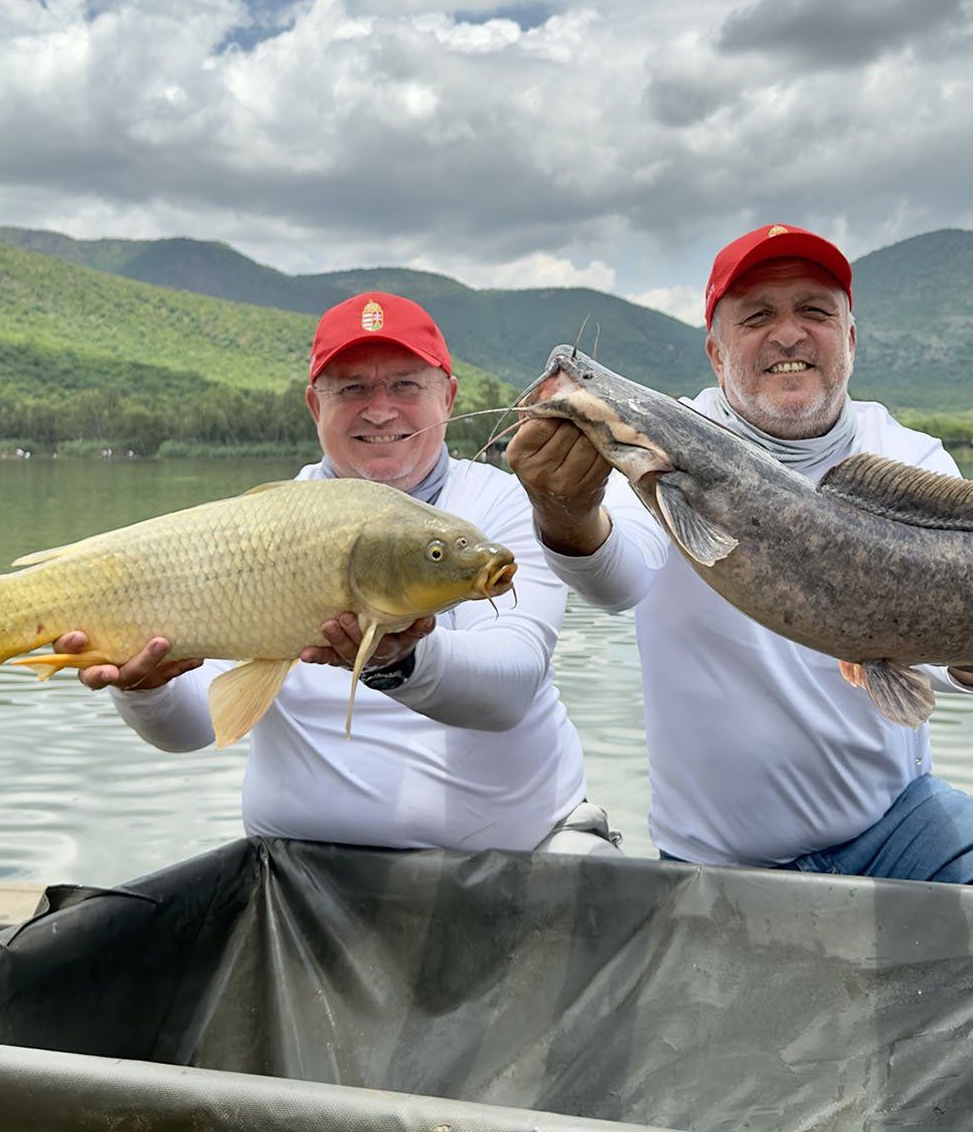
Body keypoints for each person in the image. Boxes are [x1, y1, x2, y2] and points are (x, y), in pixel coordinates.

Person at [508, 224, 973, 893]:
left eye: (814, 312)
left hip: (897, 828)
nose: (788, 334)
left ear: (849, 339)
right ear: (714, 351)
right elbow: (618, 579)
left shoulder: (911, 457)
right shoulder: (662, 444)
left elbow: (953, 655)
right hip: (717, 858)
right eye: (757, 315)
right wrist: (565, 509)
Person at [59, 291, 618, 855]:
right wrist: (146, 689)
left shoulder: (504, 507)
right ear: (314, 406)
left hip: (510, 865)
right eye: (352, 389)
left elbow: (509, 688)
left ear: (448, 395)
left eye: (405, 384)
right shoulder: (259, 526)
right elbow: (192, 728)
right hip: (294, 870)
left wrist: (399, 659)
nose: (379, 409)